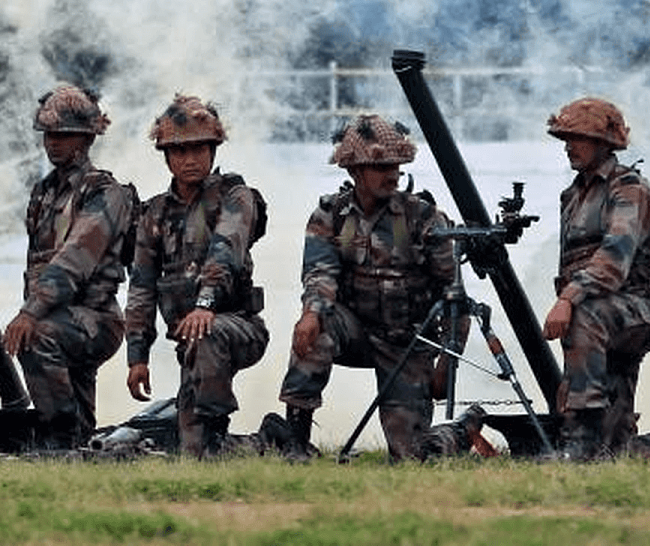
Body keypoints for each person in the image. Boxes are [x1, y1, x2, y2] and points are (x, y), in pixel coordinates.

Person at [277, 115, 481, 461]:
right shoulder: (333, 215)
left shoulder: (423, 217)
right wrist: (310, 313)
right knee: (317, 324)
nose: (391, 174)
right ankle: (296, 443)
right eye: (380, 166)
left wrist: (448, 357)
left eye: (396, 166)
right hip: (354, 331)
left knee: (411, 458)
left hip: (408, 341)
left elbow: (454, 294)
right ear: (354, 170)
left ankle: (462, 430)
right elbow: (319, 274)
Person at [125, 95, 269, 457]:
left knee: (209, 333)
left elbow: (226, 250)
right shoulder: (154, 213)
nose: (190, 159)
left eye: (199, 149)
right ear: (167, 157)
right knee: (193, 451)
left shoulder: (235, 195)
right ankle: (268, 443)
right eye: (179, 151)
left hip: (237, 326)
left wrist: (206, 303)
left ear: (213, 150)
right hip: (190, 343)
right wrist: (136, 356)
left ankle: (217, 435)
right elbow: (141, 286)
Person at [542, 97, 650, 459]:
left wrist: (568, 299)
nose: (569, 146)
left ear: (604, 143)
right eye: (565, 138)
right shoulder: (571, 196)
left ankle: (578, 440)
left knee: (585, 315)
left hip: (643, 308)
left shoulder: (628, 188)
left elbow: (615, 259)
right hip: (609, 309)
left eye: (579, 138)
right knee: (616, 448)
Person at [3, 84, 135, 450]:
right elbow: (36, 262)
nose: (53, 143)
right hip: (61, 315)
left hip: (97, 317)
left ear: (87, 137)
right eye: (48, 135)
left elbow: (74, 260)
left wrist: (29, 313)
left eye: (63, 135)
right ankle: (80, 448)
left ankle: (58, 443)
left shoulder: (105, 192)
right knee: (77, 403)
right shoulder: (43, 193)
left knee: (38, 335)